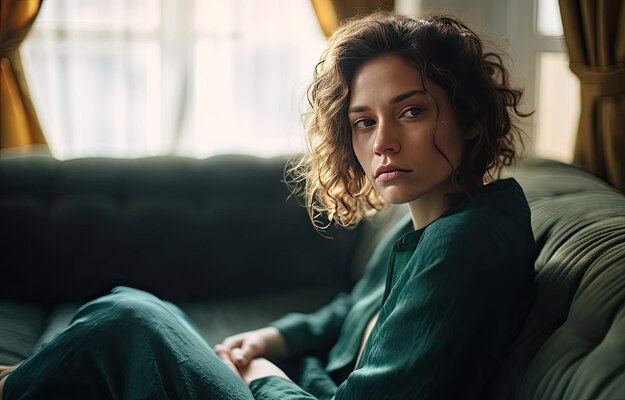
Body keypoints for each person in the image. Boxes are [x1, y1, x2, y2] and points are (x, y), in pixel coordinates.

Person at [0, 11, 535, 400]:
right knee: (138, 309)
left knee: (126, 317)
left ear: (469, 118)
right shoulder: (428, 220)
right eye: (364, 122)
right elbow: (352, 309)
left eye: (411, 111)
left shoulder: (464, 242)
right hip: (296, 379)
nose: (382, 143)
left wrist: (258, 369)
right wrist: (267, 338)